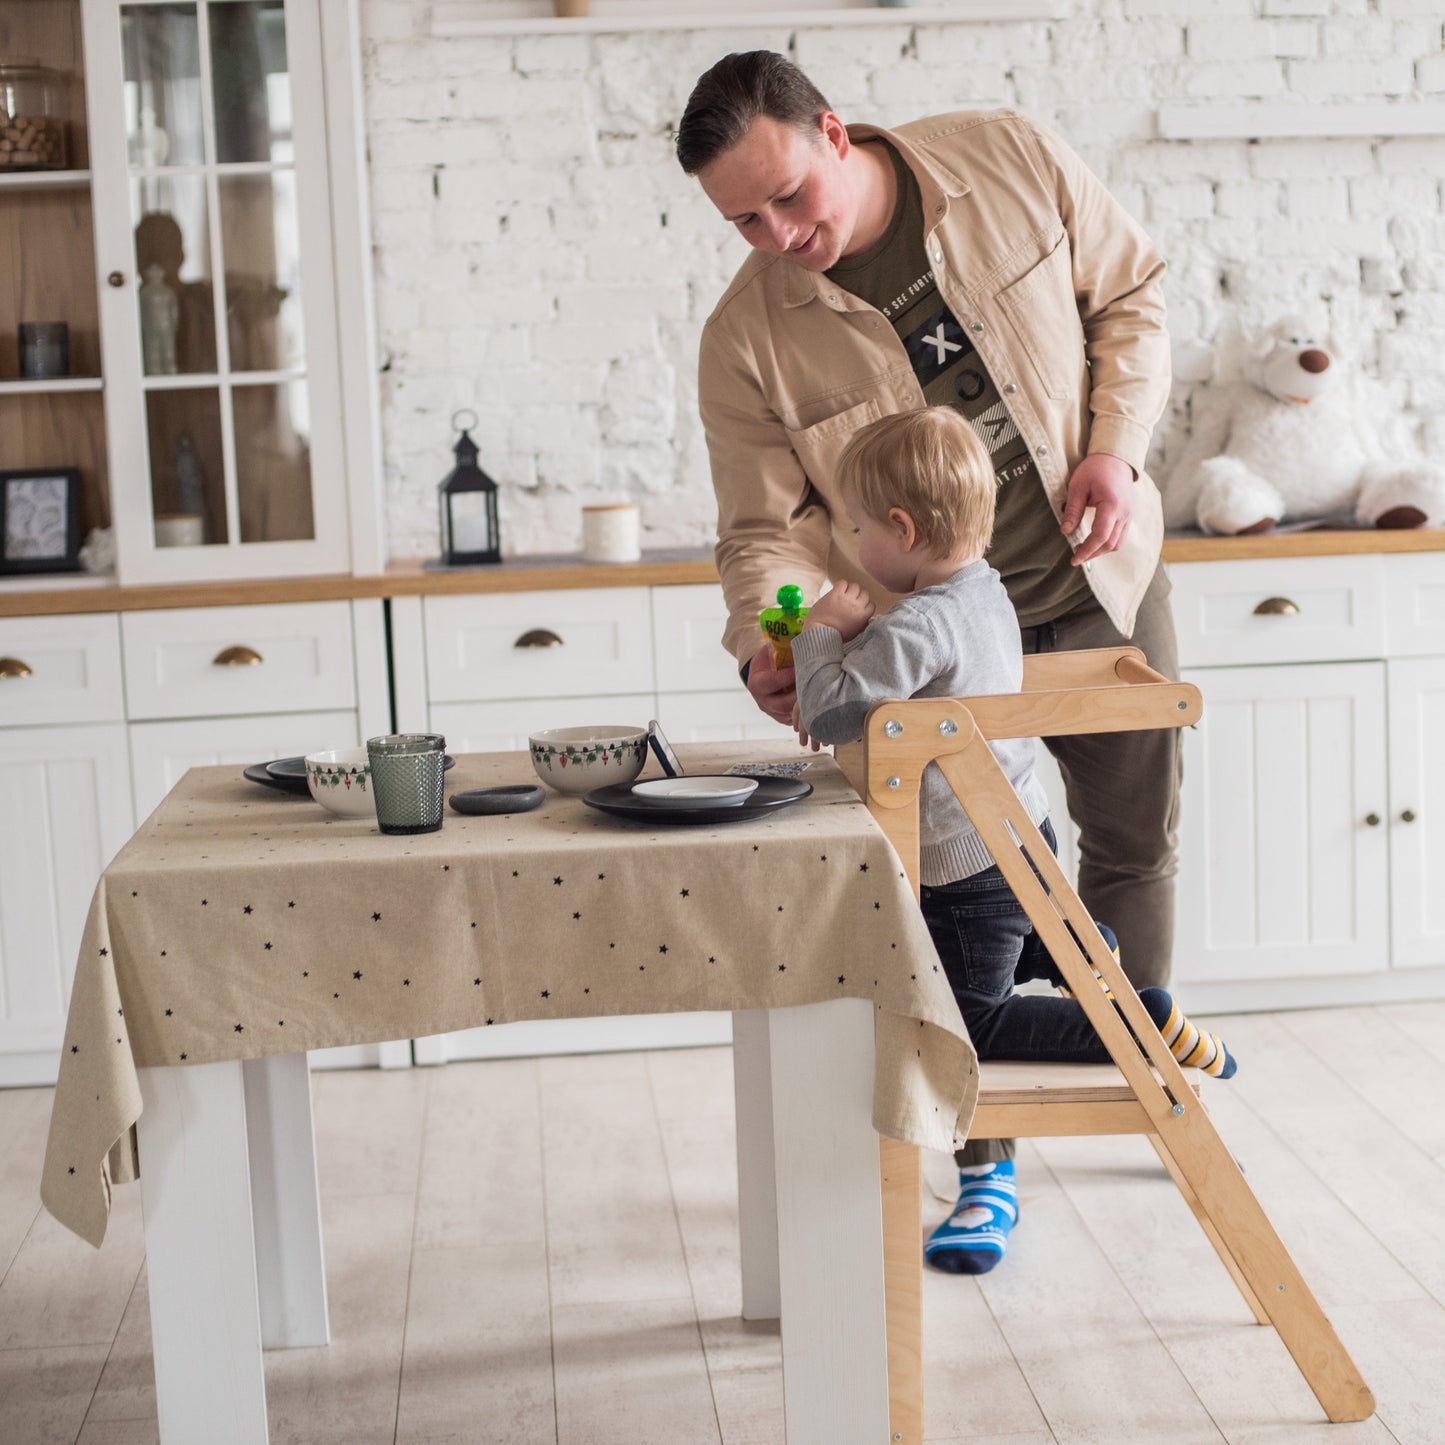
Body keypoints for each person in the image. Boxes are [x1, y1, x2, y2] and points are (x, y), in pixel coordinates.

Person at [676, 51, 1182, 1268]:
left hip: (1096, 590)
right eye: (741, 217)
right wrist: (777, 639)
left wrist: (1113, 448)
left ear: (835, 132)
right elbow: (761, 538)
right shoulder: (744, 338)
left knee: (1125, 849)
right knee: (954, 904)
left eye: (789, 196)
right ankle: (986, 1151)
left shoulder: (1007, 156)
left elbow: (1131, 295)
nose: (775, 234)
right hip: (930, 656)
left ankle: (1132, 1075)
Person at [792, 407, 1235, 1273]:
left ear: (902, 530)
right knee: (1027, 938)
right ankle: (1091, 954)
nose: (849, 547)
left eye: (852, 527)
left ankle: (1135, 1022)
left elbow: (831, 710)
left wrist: (821, 631)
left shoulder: (914, 624)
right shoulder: (982, 588)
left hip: (961, 869)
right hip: (1019, 837)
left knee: (973, 1022)